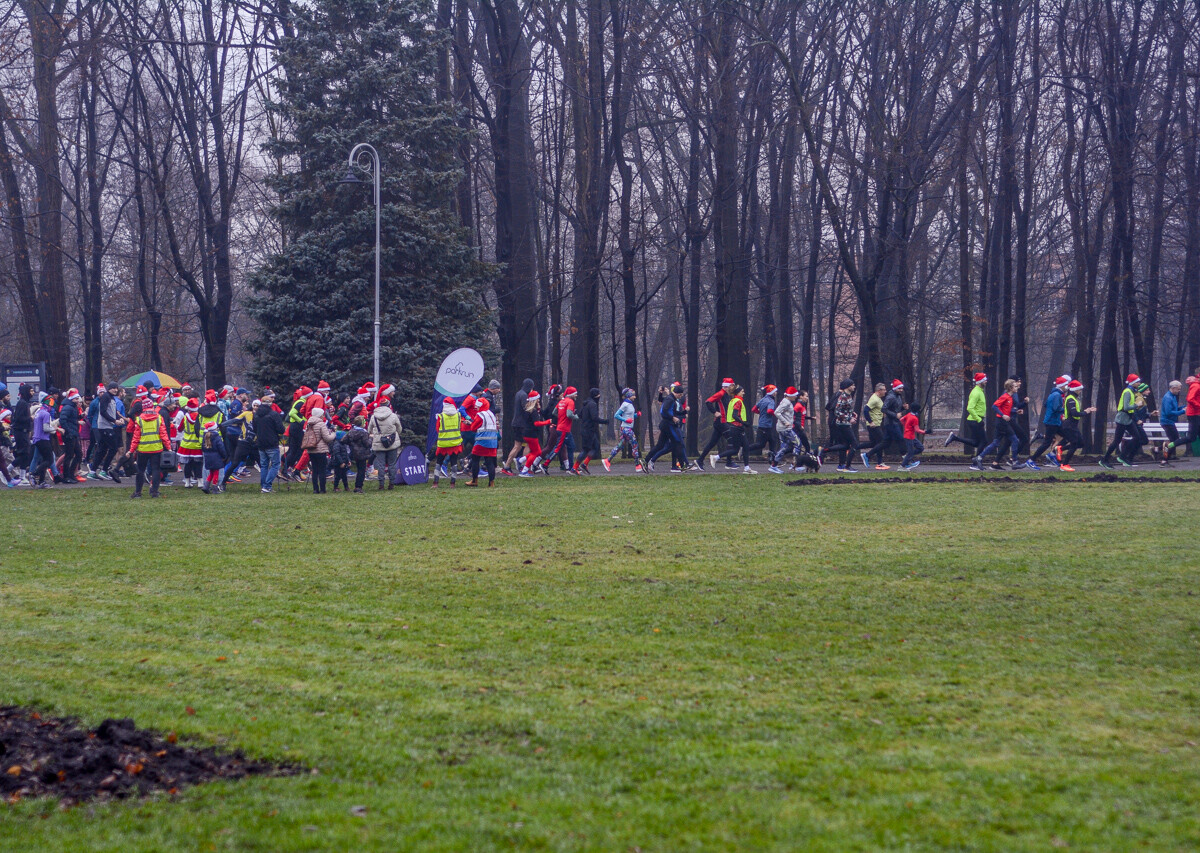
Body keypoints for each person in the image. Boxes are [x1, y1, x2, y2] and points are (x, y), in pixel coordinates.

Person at [973, 378, 1021, 470]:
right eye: (1015, 386)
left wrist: (1015, 411)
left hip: (1001, 422)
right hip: (1002, 422)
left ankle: (979, 458)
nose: (1017, 388)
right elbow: (994, 406)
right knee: (1015, 440)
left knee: (996, 443)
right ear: (1011, 388)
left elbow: (1006, 409)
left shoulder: (1010, 398)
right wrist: (1003, 415)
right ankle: (1014, 461)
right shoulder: (1005, 396)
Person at [129, 396, 170, 498]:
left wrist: (131, 450)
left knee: (140, 470)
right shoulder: (159, 418)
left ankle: (138, 492)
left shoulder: (139, 420)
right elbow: (163, 434)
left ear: (143, 407)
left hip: (143, 449)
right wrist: (168, 447)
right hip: (156, 448)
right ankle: (154, 492)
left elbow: (136, 437)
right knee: (156, 469)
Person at [1100, 374, 1142, 469]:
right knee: (1117, 441)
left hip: (1127, 419)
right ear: (1133, 383)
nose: (1139, 383)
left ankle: (1123, 457)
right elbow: (1126, 407)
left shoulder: (1131, 391)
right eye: (1138, 382)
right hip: (1123, 419)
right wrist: (1136, 405)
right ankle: (1104, 460)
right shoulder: (1128, 392)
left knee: (1137, 437)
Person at [645, 383, 689, 472]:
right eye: (680, 395)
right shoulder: (670, 399)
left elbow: (674, 411)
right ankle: (683, 465)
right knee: (678, 443)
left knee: (661, 445)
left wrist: (684, 412)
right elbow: (664, 411)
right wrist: (672, 418)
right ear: (676, 393)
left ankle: (646, 460)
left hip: (666, 424)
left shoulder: (671, 398)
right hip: (669, 425)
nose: (680, 397)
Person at [1028, 376, 1069, 469]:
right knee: (1047, 443)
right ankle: (1031, 460)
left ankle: (1052, 454)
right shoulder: (1057, 395)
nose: (1067, 386)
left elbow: (1046, 404)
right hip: (1052, 422)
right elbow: (1056, 408)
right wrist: (1066, 410)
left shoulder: (1053, 394)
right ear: (1062, 385)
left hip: (1054, 421)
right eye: (1066, 385)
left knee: (1067, 437)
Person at [945, 373, 988, 454]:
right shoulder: (976, 392)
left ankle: (954, 438)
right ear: (980, 381)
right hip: (975, 420)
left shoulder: (980, 391)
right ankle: (976, 462)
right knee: (983, 441)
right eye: (984, 379)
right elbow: (969, 408)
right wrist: (979, 419)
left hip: (975, 420)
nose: (986, 381)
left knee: (976, 443)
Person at [1056, 379, 1095, 471]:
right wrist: (1086, 412)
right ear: (1075, 389)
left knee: (1081, 443)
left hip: (1072, 425)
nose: (1080, 391)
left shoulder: (1073, 399)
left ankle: (1060, 448)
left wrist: (1086, 411)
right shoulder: (1070, 399)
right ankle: (1064, 465)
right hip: (1069, 425)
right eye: (1079, 389)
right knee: (1074, 444)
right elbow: (1074, 413)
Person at [717, 385, 756, 473]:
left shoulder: (733, 400)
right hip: (736, 427)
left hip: (735, 427)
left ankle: (746, 468)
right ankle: (716, 457)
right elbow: (735, 415)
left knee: (745, 447)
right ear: (738, 392)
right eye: (742, 391)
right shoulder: (738, 401)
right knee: (735, 449)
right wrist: (744, 423)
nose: (744, 393)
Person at [824, 379, 860, 472]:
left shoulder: (848, 396)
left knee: (845, 445)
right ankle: (847, 467)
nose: (854, 387)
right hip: (843, 424)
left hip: (843, 423)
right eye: (853, 385)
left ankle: (825, 451)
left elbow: (846, 409)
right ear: (848, 386)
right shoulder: (842, 396)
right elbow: (837, 411)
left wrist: (852, 413)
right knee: (854, 444)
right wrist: (849, 418)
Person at [253, 390, 285, 492]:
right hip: (272, 442)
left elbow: (254, 429)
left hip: (261, 442)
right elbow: (281, 429)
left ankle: (264, 485)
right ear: (270, 403)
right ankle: (267, 485)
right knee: (276, 464)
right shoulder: (273, 414)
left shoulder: (256, 415)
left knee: (264, 465)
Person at [368, 395, 402, 490]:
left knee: (380, 465)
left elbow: (369, 429)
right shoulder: (393, 416)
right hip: (392, 442)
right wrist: (394, 435)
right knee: (392, 464)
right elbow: (399, 428)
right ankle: (391, 483)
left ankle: (381, 484)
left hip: (379, 443)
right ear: (388, 405)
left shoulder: (374, 417)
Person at [698, 379, 734, 468]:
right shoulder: (720, 393)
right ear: (727, 386)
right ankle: (729, 463)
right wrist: (715, 412)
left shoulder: (726, 394)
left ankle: (699, 460)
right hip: (721, 422)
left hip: (721, 422)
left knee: (712, 443)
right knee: (731, 440)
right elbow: (708, 401)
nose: (733, 387)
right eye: (732, 386)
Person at [604, 388, 642, 472]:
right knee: (635, 444)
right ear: (629, 395)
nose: (635, 397)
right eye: (633, 395)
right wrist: (625, 420)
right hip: (626, 428)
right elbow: (616, 415)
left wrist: (636, 415)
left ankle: (608, 460)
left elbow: (630, 416)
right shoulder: (625, 404)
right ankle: (637, 465)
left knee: (620, 446)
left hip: (627, 428)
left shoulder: (630, 404)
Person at [466, 397, 500, 487]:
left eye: (477, 406)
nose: (476, 408)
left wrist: (470, 424)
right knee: (490, 462)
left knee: (475, 459)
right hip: (493, 442)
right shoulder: (491, 414)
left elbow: (474, 428)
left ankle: (474, 480)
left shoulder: (480, 415)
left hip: (482, 442)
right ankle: (491, 483)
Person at [504, 378, 535, 474]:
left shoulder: (519, 393)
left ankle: (508, 466)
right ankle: (523, 466)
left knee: (518, 445)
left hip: (517, 423)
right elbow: (527, 408)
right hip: (522, 424)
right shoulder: (524, 395)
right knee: (525, 445)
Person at [302, 408, 336, 493]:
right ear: (319, 415)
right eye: (322, 414)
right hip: (320, 450)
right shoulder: (321, 424)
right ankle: (322, 489)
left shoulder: (309, 424)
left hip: (311, 449)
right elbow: (327, 438)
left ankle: (315, 489)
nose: (323, 416)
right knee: (322, 470)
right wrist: (333, 434)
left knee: (314, 470)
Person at [432, 395, 462, 487]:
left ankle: (435, 483)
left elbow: (437, 429)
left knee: (439, 462)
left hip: (443, 443)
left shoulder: (441, 416)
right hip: (455, 443)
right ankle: (452, 483)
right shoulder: (458, 415)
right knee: (454, 462)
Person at [29, 392, 57, 487]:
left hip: (37, 439)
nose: (52, 405)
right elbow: (45, 428)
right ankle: (34, 474)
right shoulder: (45, 414)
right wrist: (55, 429)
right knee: (49, 460)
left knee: (44, 459)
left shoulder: (38, 412)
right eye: (51, 402)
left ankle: (41, 481)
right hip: (43, 439)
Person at [770, 387, 801, 473]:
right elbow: (776, 412)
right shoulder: (786, 403)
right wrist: (785, 422)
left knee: (784, 447)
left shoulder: (786, 401)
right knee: (798, 443)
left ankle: (774, 465)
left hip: (782, 428)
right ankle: (795, 464)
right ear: (790, 395)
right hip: (785, 428)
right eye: (794, 395)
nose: (796, 397)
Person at [177, 397, 204, 487]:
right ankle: (200, 482)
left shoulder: (185, 417)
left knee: (187, 464)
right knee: (198, 464)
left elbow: (180, 429)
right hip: (197, 444)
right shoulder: (200, 417)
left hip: (186, 444)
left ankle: (187, 482)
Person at [1157, 380, 1185, 465]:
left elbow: (1174, 409)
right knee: (1174, 441)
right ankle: (1164, 459)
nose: (1179, 391)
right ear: (1173, 388)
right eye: (1178, 389)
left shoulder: (1172, 396)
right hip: (1167, 422)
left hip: (1170, 422)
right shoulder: (1168, 398)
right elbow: (1169, 412)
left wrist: (1184, 407)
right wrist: (1182, 412)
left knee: (1174, 441)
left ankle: (1157, 449)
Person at [58, 389, 83, 482]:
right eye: (76, 398)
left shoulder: (72, 407)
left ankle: (71, 474)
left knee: (78, 454)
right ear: (72, 398)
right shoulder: (68, 407)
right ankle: (66, 476)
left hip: (73, 433)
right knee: (69, 455)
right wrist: (68, 431)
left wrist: (82, 415)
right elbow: (63, 420)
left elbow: (72, 419)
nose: (78, 400)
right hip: (70, 435)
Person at [859, 383, 887, 469]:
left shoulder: (878, 398)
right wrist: (871, 422)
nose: (885, 391)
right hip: (874, 425)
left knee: (874, 443)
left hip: (876, 424)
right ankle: (867, 455)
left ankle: (854, 446)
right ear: (879, 390)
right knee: (883, 442)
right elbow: (866, 410)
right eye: (884, 390)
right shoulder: (874, 399)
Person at [575, 388, 601, 475]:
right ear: (595, 395)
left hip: (586, 429)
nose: (599, 396)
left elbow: (580, 415)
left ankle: (584, 464)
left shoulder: (586, 404)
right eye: (598, 394)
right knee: (586, 450)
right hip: (588, 430)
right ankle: (574, 467)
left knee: (596, 447)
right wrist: (604, 421)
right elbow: (594, 417)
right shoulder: (592, 404)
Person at [749, 385, 778, 461]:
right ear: (772, 392)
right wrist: (777, 414)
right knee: (761, 444)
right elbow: (769, 411)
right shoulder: (771, 401)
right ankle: (745, 449)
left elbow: (754, 409)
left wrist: (761, 413)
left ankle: (772, 457)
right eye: (775, 391)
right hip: (766, 425)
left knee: (772, 440)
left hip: (761, 424)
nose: (776, 393)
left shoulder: (763, 399)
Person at [11, 383, 33, 481]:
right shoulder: (22, 403)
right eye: (31, 391)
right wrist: (30, 418)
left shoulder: (24, 403)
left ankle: (22, 476)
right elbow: (19, 418)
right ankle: (7, 470)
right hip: (20, 432)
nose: (33, 393)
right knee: (24, 453)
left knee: (26, 454)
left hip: (23, 431)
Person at [344, 415, 372, 492]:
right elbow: (367, 444)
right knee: (361, 470)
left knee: (358, 469)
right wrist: (371, 439)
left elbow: (344, 440)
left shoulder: (351, 431)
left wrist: (352, 444)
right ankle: (358, 486)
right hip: (363, 453)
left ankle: (357, 486)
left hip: (354, 453)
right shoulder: (364, 433)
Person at [200, 418, 228, 493]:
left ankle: (206, 486)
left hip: (208, 456)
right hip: (216, 456)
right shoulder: (217, 436)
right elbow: (221, 447)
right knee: (216, 473)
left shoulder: (205, 436)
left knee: (211, 472)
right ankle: (215, 488)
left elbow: (202, 447)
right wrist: (224, 456)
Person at [899, 403, 925, 470]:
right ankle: (902, 467)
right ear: (917, 410)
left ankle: (908, 458)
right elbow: (917, 430)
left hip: (910, 436)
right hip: (909, 437)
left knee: (920, 447)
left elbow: (901, 419)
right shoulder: (915, 418)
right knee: (910, 452)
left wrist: (906, 426)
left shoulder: (908, 415)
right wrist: (925, 432)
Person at [330, 426, 351, 491]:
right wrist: (341, 462)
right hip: (338, 463)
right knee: (337, 476)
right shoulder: (337, 445)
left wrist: (348, 460)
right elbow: (337, 454)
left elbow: (346, 454)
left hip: (344, 462)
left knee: (344, 476)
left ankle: (346, 487)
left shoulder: (343, 444)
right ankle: (335, 487)